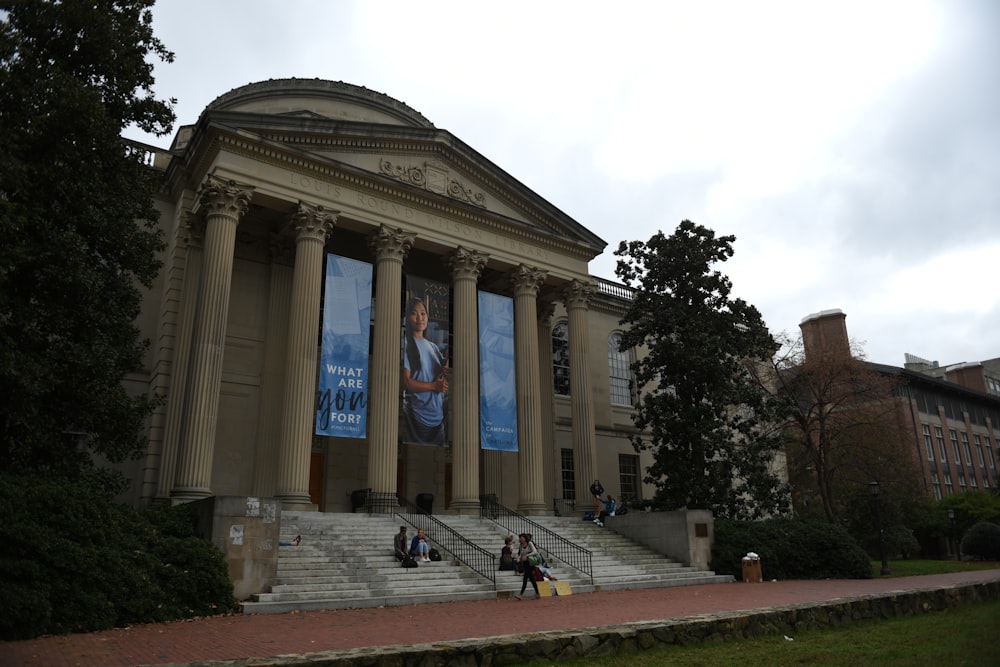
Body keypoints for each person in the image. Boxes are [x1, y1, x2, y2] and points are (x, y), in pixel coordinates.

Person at [401, 297, 449, 446]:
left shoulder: (433, 347)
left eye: (423, 313)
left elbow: (441, 373)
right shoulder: (407, 345)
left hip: (438, 419)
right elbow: (408, 382)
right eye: (414, 313)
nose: (420, 318)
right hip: (418, 419)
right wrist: (434, 386)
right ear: (408, 318)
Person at [514, 533, 541, 600]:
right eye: (520, 538)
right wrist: (518, 558)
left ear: (525, 538)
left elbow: (535, 551)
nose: (520, 539)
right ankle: (538, 593)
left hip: (531, 562)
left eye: (522, 538)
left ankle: (521, 594)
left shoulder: (530, 543)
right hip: (525, 563)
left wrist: (527, 555)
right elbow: (520, 554)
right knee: (532, 578)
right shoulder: (521, 545)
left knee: (525, 577)